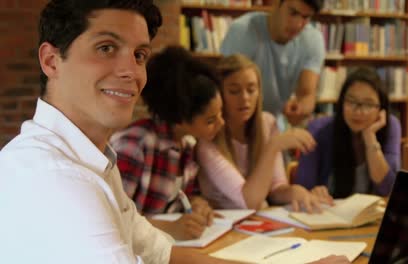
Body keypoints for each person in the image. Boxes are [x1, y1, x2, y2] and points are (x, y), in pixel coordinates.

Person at [0, 1, 236, 263]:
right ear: (51, 62)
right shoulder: (54, 177)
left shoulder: (94, 159)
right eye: (106, 48)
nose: (132, 72)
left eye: (139, 55)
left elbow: (161, 253)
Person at [110, 46, 224, 241]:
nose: (221, 123)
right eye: (210, 120)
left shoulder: (186, 145)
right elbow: (111, 219)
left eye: (220, 114)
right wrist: (168, 228)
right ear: (181, 118)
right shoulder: (134, 146)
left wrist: (198, 204)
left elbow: (184, 195)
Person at [197, 54, 334, 213]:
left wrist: (295, 192)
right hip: (222, 223)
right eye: (234, 91)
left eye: (251, 89)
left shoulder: (267, 123)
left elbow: (275, 189)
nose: (245, 98)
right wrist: (273, 146)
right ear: (219, 95)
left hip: (257, 221)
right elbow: (249, 201)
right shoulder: (207, 141)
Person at [294, 67, 401, 199]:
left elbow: (387, 188)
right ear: (341, 102)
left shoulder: (390, 126)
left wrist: (370, 138)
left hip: (372, 216)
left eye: (368, 104)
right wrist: (312, 193)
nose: (358, 111)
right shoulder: (318, 130)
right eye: (351, 101)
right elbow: (303, 187)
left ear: (381, 109)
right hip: (330, 213)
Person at [220, 0, 325, 126]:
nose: (297, 24)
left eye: (306, 17)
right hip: (237, 121)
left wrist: (300, 108)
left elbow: (307, 94)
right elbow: (229, 89)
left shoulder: (313, 40)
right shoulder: (243, 31)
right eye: (293, 13)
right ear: (276, 3)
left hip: (272, 123)